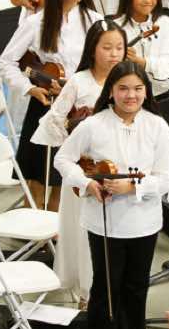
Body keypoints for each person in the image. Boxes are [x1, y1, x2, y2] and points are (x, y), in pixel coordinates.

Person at [56, 57, 169, 329]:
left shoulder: (157, 126)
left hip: (144, 224)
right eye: (123, 88)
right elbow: (63, 159)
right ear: (110, 91)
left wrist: (133, 187)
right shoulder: (93, 125)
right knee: (104, 289)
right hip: (104, 224)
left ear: (146, 91)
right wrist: (87, 184)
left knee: (136, 290)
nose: (130, 95)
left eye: (137, 88)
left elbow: (167, 178)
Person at [36, 24, 129, 303]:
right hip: (85, 172)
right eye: (107, 48)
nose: (114, 54)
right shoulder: (79, 82)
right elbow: (53, 121)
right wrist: (76, 140)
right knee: (84, 234)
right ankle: (86, 293)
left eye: (119, 48)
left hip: (117, 170)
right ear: (92, 49)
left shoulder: (127, 81)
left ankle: (109, 290)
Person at [0, 0, 99, 197]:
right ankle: (35, 222)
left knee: (67, 186)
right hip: (46, 107)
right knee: (39, 183)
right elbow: (5, 62)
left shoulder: (95, 21)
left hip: (82, 109)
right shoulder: (37, 22)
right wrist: (29, 88)